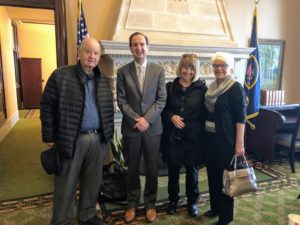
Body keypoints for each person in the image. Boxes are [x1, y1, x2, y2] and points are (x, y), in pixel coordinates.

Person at [40, 37, 114, 225]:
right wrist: (49, 136)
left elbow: (107, 109)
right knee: (66, 186)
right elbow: (47, 105)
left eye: (96, 53)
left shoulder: (103, 79)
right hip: (71, 140)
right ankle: (61, 221)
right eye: (88, 51)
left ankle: (87, 216)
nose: (92, 56)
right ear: (78, 53)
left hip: (97, 140)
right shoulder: (61, 76)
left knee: (92, 184)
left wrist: (108, 136)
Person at [116, 32, 167, 223]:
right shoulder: (122, 72)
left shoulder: (158, 70)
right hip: (132, 128)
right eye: (135, 45)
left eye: (142, 44)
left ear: (148, 46)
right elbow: (121, 100)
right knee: (132, 168)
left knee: (152, 168)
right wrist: (138, 119)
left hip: (153, 129)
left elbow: (161, 99)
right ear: (130, 48)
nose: (139, 48)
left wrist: (147, 120)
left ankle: (150, 204)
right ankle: (132, 204)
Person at [161, 53, 207, 217]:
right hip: (173, 137)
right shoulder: (169, 87)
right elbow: (163, 109)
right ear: (180, 67)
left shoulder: (202, 89)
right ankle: (173, 200)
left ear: (195, 71)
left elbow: (206, 113)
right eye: (185, 67)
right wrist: (171, 117)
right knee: (173, 172)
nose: (187, 71)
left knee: (192, 172)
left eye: (191, 68)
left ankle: (192, 202)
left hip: (193, 138)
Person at [203, 52, 246, 225]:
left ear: (230, 68)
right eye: (216, 66)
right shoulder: (211, 87)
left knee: (226, 179)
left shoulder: (235, 88)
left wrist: (239, 143)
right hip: (209, 140)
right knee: (212, 176)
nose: (219, 69)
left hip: (226, 141)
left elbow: (240, 118)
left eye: (222, 66)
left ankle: (226, 216)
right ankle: (215, 207)